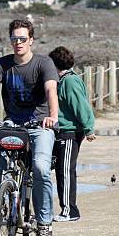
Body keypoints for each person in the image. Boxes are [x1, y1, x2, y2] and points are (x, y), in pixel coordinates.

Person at [0, 19, 59, 236]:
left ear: (31, 40)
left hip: (41, 125)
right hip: (13, 123)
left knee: (40, 168)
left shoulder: (44, 63)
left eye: (22, 39)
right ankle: (0, 200)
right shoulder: (2, 64)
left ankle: (44, 222)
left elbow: (51, 89)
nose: (18, 43)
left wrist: (53, 115)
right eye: (14, 39)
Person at [48, 46, 96, 222]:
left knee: (65, 171)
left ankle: (70, 211)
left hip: (69, 132)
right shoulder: (62, 80)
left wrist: (88, 128)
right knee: (57, 169)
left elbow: (80, 106)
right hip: (59, 132)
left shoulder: (69, 81)